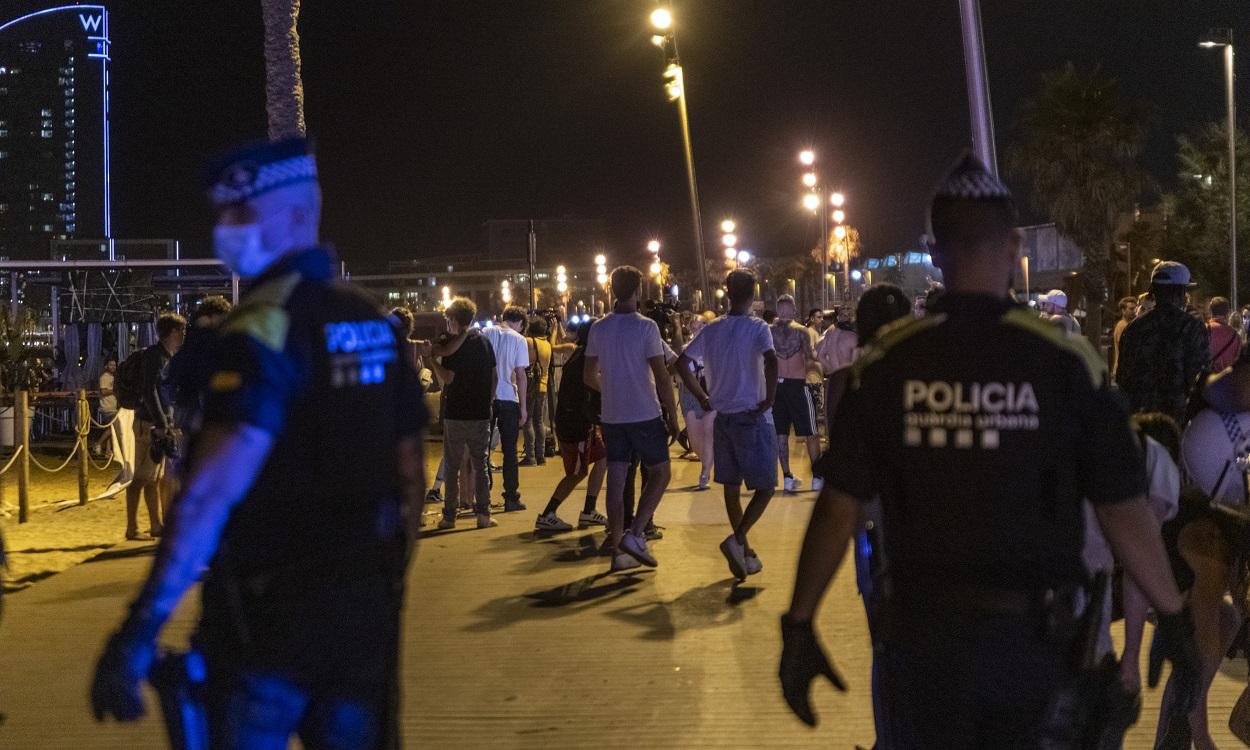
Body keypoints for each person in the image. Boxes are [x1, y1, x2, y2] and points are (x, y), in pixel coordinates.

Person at [779, 153, 1200, 746]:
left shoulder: (890, 363)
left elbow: (840, 504)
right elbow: (1123, 508)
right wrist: (1173, 618)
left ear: (937, 251)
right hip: (1038, 653)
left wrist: (798, 623)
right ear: (1012, 250)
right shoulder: (1063, 362)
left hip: (926, 650)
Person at [90, 137, 427, 748]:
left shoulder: (261, 328)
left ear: (297, 215)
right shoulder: (371, 321)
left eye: (239, 214)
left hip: (264, 620)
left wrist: (139, 628)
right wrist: (380, 590)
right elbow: (410, 478)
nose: (224, 229)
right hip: (360, 614)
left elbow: (211, 490)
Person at [677, 269, 777, 580]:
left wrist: (704, 397)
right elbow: (771, 360)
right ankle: (737, 539)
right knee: (766, 487)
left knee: (731, 488)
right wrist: (770, 398)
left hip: (721, 417)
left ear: (727, 292)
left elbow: (681, 362)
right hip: (752, 415)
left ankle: (745, 551)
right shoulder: (758, 327)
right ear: (753, 293)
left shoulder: (712, 330)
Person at [584, 266, 680, 572]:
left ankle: (617, 549)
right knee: (661, 472)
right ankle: (636, 533)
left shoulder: (599, 328)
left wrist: (611, 388)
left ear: (611, 290)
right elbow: (662, 376)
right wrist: (673, 414)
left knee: (617, 477)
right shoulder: (646, 327)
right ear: (638, 290)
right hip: (644, 412)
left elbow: (588, 375)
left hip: (612, 415)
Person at [535, 319, 608, 532]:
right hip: (575, 423)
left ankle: (589, 511)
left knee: (603, 457)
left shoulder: (579, 353)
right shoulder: (586, 357)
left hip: (579, 420)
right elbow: (591, 382)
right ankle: (547, 513)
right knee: (577, 473)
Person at [1118, 262, 1210, 424]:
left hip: (1140, 420)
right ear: (1180, 292)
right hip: (1177, 420)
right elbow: (1200, 377)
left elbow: (1122, 377)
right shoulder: (1191, 326)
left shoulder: (1133, 328)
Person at [434, 297, 497, 530]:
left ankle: (449, 516)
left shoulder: (451, 346)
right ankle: (483, 515)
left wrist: (434, 361)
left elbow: (448, 378)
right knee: (481, 464)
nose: (447, 324)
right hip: (480, 413)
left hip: (456, 412)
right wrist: (487, 402)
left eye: (448, 320)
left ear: (454, 320)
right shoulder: (484, 343)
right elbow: (494, 377)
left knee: (452, 465)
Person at [124, 312, 186, 541]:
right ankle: (132, 528)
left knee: (154, 478)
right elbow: (150, 390)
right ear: (170, 333)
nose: (182, 336)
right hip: (150, 424)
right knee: (142, 477)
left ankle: (155, 524)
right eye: (180, 331)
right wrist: (161, 422)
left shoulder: (165, 356)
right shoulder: (155, 357)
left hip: (157, 422)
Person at [770, 294, 821, 494]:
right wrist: (819, 356)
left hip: (777, 386)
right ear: (792, 309)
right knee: (811, 431)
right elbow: (809, 358)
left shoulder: (768, 331)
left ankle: (788, 477)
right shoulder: (801, 331)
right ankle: (816, 478)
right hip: (798, 385)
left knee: (780, 434)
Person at [481, 306, 529, 511]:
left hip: (487, 397)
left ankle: (482, 496)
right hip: (509, 398)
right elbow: (520, 375)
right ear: (519, 322)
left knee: (483, 450)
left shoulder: (485, 333)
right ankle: (511, 497)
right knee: (510, 450)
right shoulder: (519, 340)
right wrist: (524, 408)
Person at [678, 311, 716, 490]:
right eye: (694, 327)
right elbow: (680, 369)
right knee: (694, 439)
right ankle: (706, 460)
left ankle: (705, 472)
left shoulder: (714, 348)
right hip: (691, 396)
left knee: (709, 432)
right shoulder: (687, 349)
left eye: (701, 326)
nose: (698, 329)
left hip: (711, 393)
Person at [522, 317, 553, 466]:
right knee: (539, 421)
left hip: (530, 386)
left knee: (527, 421)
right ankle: (541, 456)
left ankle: (531, 456)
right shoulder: (547, 344)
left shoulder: (529, 342)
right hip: (543, 385)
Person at [1206, 296, 1242, 373]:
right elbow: (1237, 361)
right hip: (1228, 381)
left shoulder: (1204, 330)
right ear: (1227, 313)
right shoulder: (1236, 336)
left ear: (1210, 311)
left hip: (1208, 380)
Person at [94, 358, 117, 457]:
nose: (113, 367)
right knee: (114, 427)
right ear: (106, 366)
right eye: (111, 365)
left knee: (109, 429)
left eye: (114, 365)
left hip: (113, 407)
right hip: (106, 408)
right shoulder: (104, 377)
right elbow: (103, 391)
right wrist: (115, 390)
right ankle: (98, 443)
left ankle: (108, 451)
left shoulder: (113, 377)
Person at [1112, 295, 1137, 380]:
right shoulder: (1122, 326)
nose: (1134, 311)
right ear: (1123, 310)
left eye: (1135, 308)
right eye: (1131, 309)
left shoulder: (1130, 325)